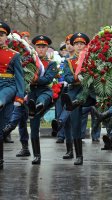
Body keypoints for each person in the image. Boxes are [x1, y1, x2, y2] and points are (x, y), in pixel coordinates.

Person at [28, 35, 58, 165]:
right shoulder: (29, 62)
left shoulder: (51, 63)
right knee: (34, 126)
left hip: (44, 90)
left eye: (43, 47)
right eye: (39, 47)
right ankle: (37, 156)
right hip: (31, 93)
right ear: (35, 48)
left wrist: (35, 79)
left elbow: (48, 79)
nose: (41, 49)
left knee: (43, 99)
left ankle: (38, 105)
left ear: (47, 49)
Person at [62, 32, 90, 165]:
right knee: (75, 123)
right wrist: (76, 77)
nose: (79, 46)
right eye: (77, 44)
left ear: (86, 45)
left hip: (89, 92)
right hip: (74, 90)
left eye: (82, 44)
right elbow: (67, 77)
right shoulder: (69, 61)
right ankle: (79, 155)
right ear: (73, 46)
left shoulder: (91, 60)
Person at [0, 21, 25, 169]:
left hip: (7, 86)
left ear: (6, 37)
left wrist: (20, 97)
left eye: (1, 34)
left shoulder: (14, 55)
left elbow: (20, 78)